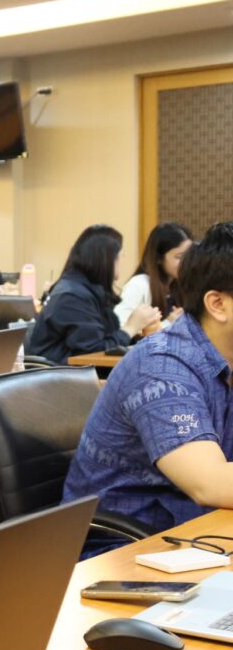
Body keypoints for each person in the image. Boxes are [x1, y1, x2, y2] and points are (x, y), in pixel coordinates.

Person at [64, 222, 233, 541]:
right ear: (217, 304)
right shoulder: (161, 368)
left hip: (197, 535)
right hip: (122, 549)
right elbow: (209, 483)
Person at [27, 224, 160, 364]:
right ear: (107, 259)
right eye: (121, 255)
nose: (123, 259)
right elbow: (94, 353)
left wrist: (138, 335)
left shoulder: (89, 289)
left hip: (76, 371)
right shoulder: (72, 296)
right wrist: (130, 328)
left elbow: (104, 340)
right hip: (60, 374)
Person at [114, 222, 192, 329]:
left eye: (189, 256)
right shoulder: (139, 284)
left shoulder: (180, 285)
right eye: (179, 257)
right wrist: (168, 323)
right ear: (158, 258)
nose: (187, 262)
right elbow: (119, 328)